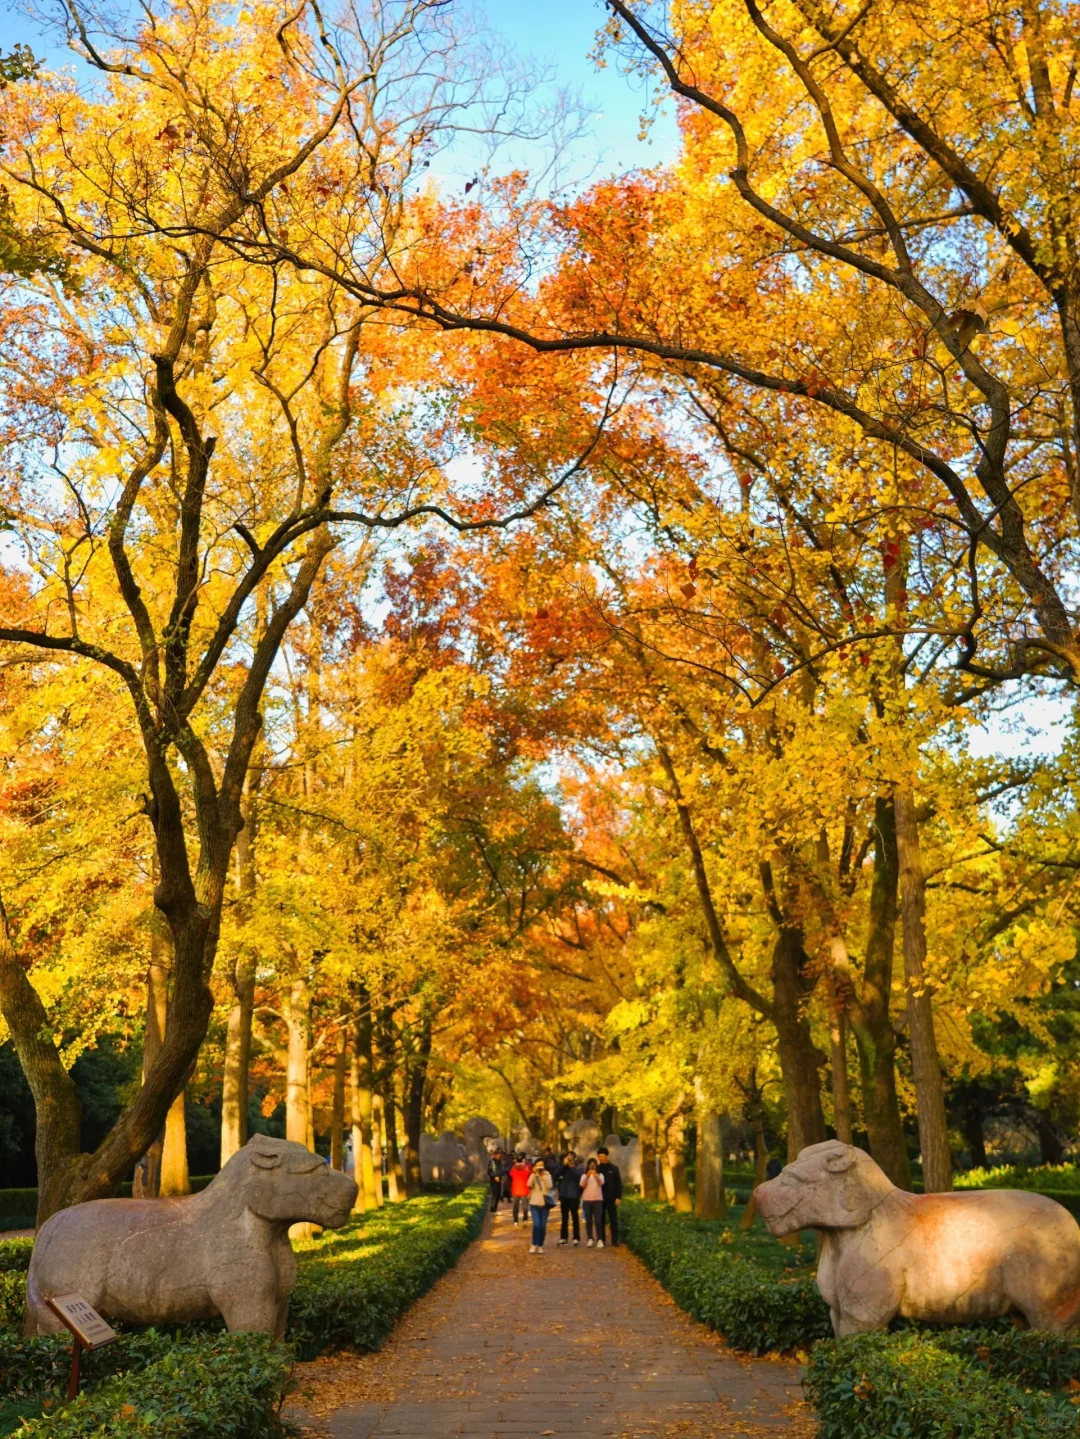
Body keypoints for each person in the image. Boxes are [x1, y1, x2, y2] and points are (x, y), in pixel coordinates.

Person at [596, 1146, 623, 1247]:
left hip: (612, 1198)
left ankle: (615, 1240)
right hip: (599, 1198)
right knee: (601, 1219)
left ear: (606, 1156)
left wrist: (618, 1197)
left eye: (603, 1156)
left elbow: (618, 1184)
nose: (601, 1158)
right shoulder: (597, 1169)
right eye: (599, 1156)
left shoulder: (614, 1168)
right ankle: (601, 1240)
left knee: (613, 1220)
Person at [527, 1157, 554, 1254]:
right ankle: (534, 1244)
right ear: (535, 1166)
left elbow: (550, 1186)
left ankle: (540, 1245)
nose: (540, 1166)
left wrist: (543, 1175)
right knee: (537, 1225)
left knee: (542, 1226)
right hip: (534, 1202)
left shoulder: (547, 1175)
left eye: (542, 1164)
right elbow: (529, 1184)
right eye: (538, 1165)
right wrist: (534, 1174)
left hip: (545, 1204)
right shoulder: (533, 1174)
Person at [555, 1151, 582, 1246]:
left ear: (575, 1158)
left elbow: (580, 1177)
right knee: (564, 1217)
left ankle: (576, 1238)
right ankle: (563, 1238)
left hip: (574, 1195)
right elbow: (556, 1174)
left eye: (571, 1157)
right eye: (568, 1157)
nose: (570, 1159)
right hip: (564, 1195)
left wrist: (572, 1167)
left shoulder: (579, 1167)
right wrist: (563, 1165)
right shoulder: (563, 1167)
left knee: (575, 1217)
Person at [580, 1157, 605, 1246]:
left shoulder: (600, 1175)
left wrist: (595, 1175)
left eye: (594, 1165)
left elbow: (601, 1183)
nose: (592, 1167)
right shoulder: (584, 1176)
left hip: (597, 1200)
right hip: (587, 1201)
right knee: (589, 1221)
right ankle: (590, 1238)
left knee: (598, 1221)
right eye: (590, 1165)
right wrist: (587, 1175)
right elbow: (582, 1184)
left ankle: (600, 1239)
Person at [509, 1152, 532, 1225]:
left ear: (516, 1160)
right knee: (525, 1206)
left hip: (515, 1189)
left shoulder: (513, 1168)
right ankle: (525, 1219)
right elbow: (530, 1175)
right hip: (524, 1189)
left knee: (515, 1206)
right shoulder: (527, 1168)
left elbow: (510, 1175)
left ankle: (515, 1221)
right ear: (523, 1160)